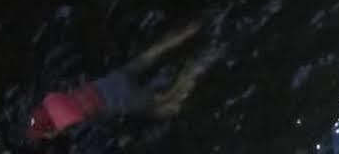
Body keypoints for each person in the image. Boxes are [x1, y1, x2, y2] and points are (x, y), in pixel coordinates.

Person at [27, 23, 208, 142]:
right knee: (151, 54)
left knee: (165, 106)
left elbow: (85, 126)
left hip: (123, 98)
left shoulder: (68, 123)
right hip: (113, 79)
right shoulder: (50, 99)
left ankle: (195, 68)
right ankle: (189, 30)